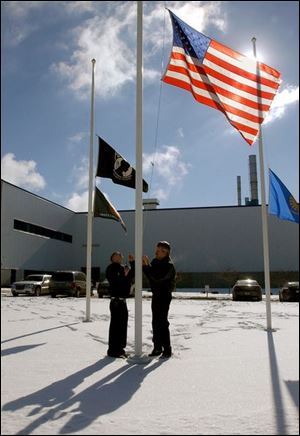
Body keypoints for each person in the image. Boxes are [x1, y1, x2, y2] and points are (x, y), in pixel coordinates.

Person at [143, 241, 176, 358]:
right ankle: (157, 347)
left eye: (161, 250)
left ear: (166, 253)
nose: (157, 252)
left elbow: (157, 279)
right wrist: (146, 267)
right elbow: (151, 279)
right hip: (156, 295)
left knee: (162, 321)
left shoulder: (169, 266)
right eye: (157, 249)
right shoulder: (154, 262)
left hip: (164, 296)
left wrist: (147, 267)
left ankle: (167, 348)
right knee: (155, 321)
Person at [106, 251, 134, 358]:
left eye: (120, 256)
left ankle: (121, 349)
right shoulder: (111, 268)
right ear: (112, 258)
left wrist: (132, 263)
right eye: (116, 256)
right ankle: (113, 350)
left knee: (123, 324)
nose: (118, 257)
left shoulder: (124, 268)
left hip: (123, 301)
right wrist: (125, 275)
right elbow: (115, 281)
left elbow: (131, 276)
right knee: (115, 326)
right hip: (116, 301)